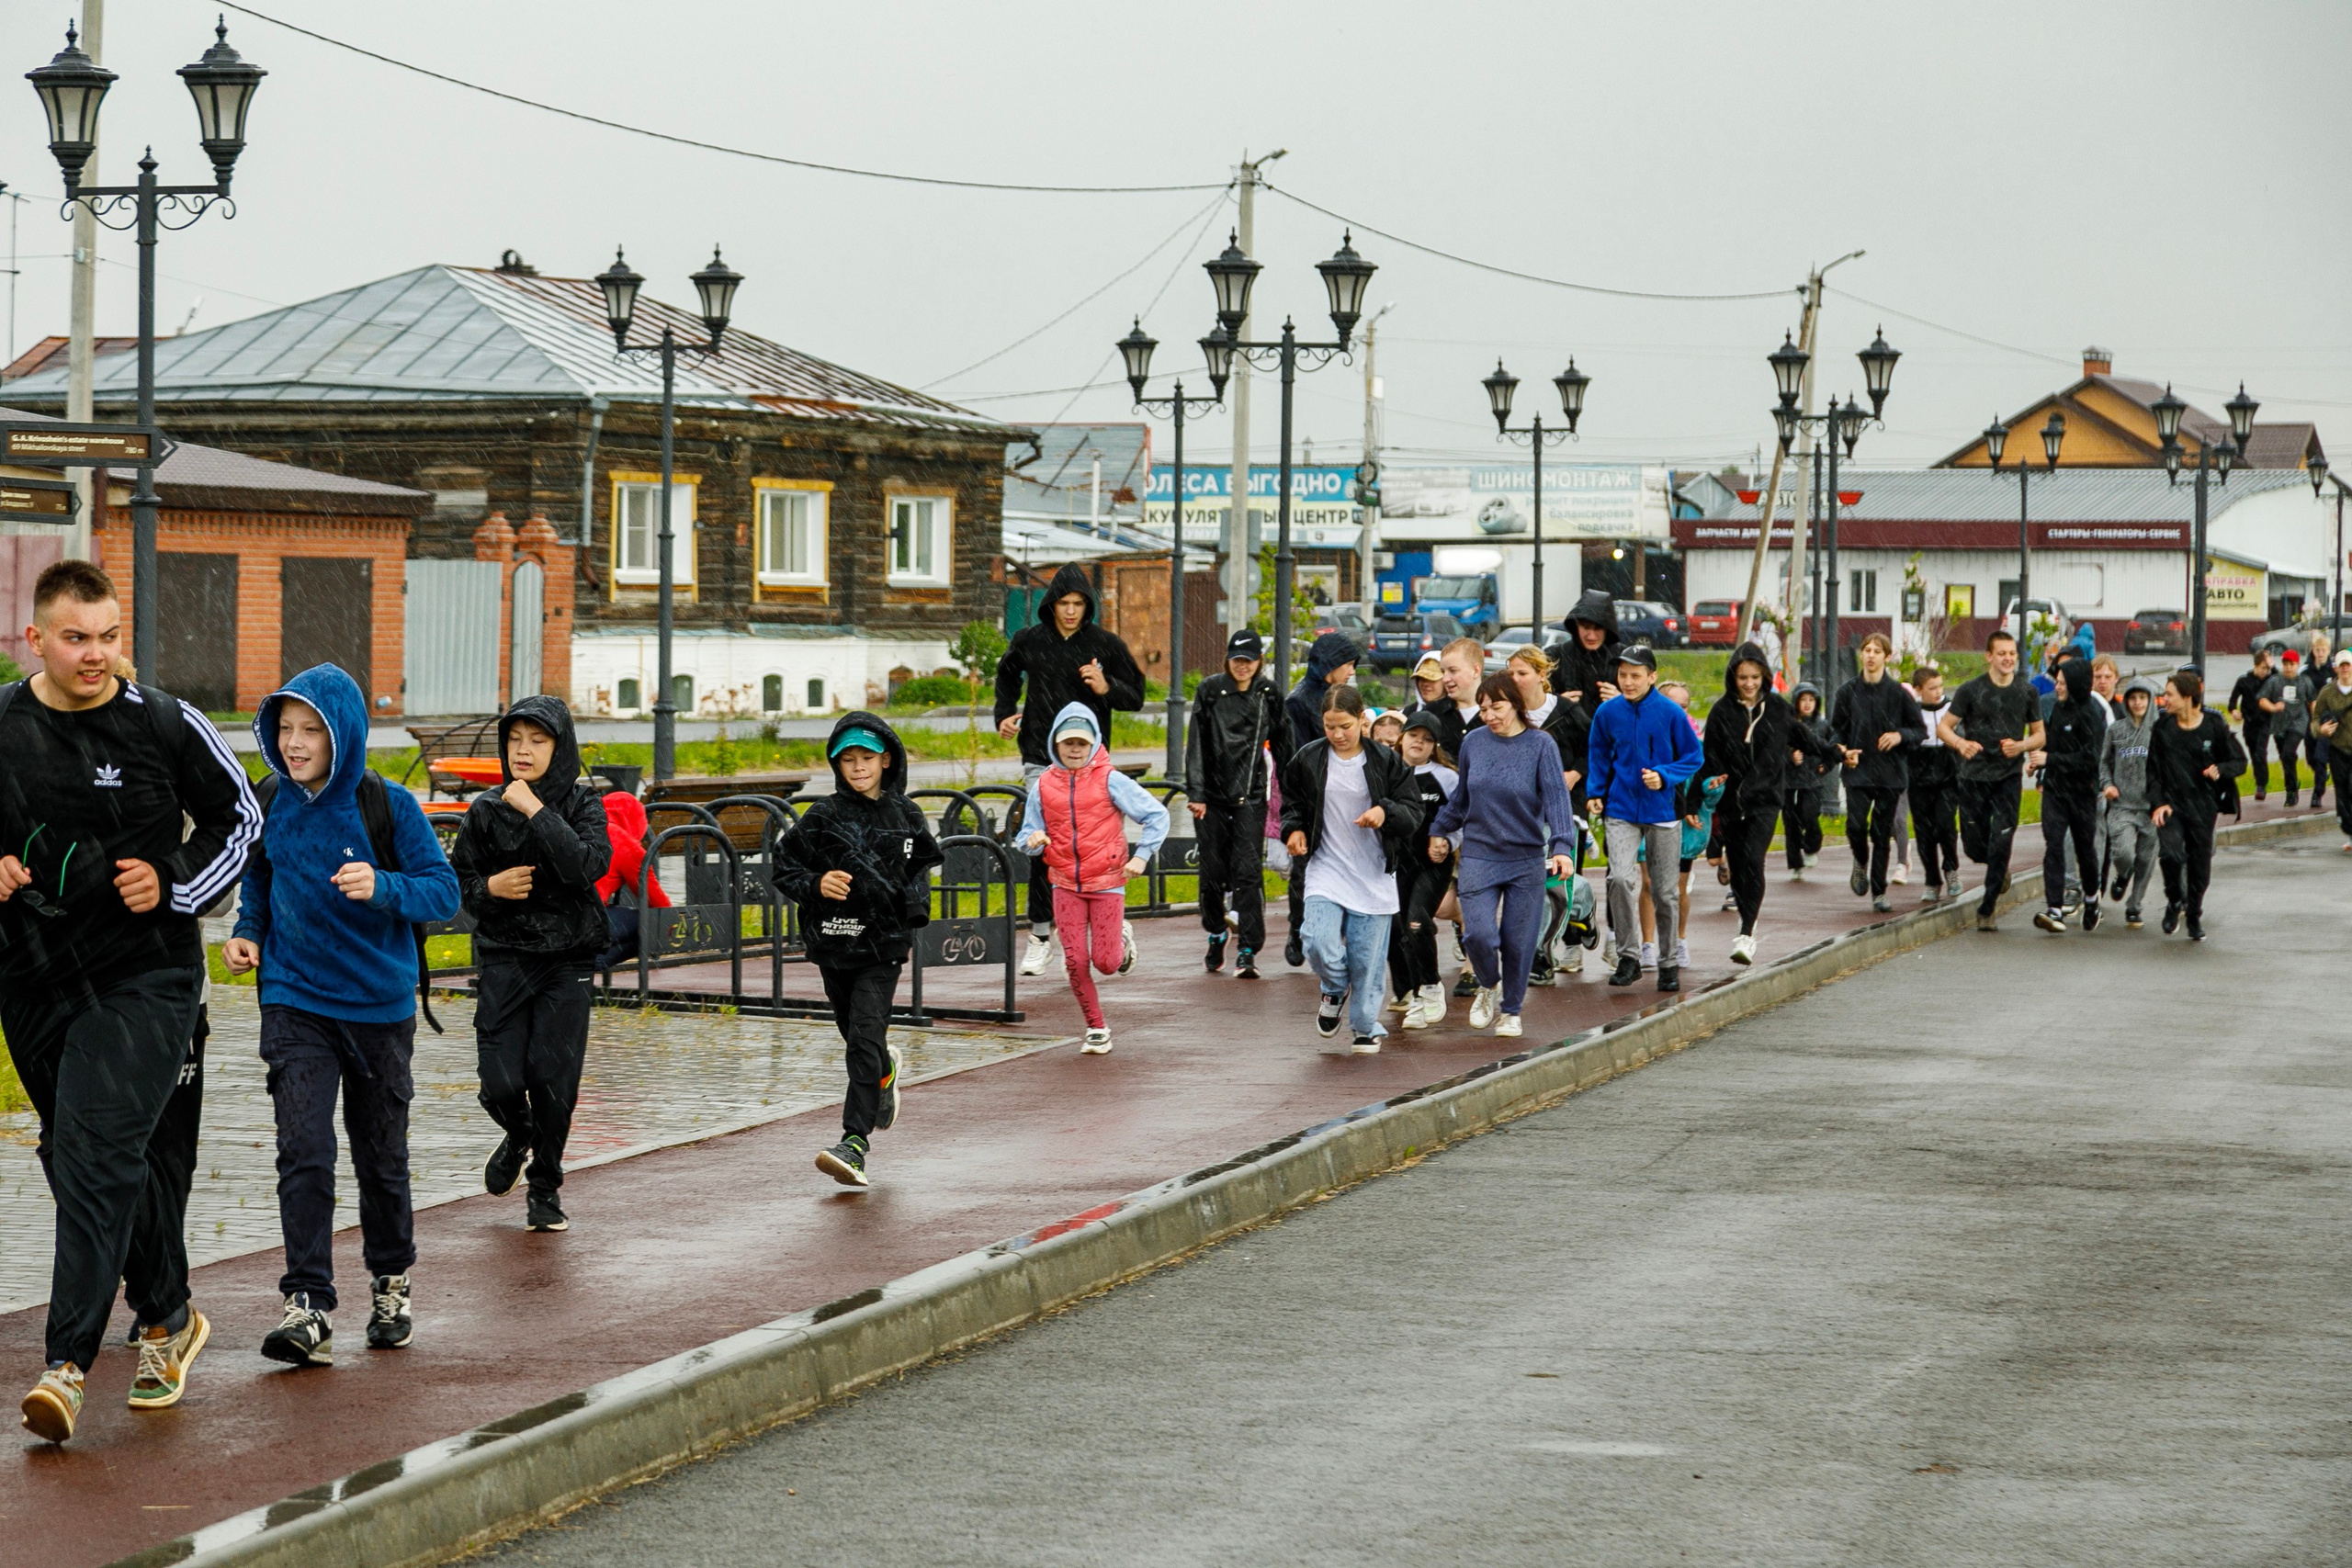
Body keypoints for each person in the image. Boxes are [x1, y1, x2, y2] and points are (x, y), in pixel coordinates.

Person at [0, 561, 258, 1444]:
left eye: (110, 636)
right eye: (77, 637)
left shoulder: (160, 721)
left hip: (145, 977)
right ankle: (168, 1315)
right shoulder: (3, 723)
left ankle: (66, 1364)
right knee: (95, 1157)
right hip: (33, 975)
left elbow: (243, 819)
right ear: (33, 639)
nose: (97, 654)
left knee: (95, 1144)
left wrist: (179, 880)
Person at [218, 664, 459, 1366]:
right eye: (285, 729)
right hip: (295, 999)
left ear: (342, 734)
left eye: (310, 730)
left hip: (379, 1010)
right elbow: (259, 875)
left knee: (381, 1158)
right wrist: (249, 932)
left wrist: (381, 885)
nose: (294, 744)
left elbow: (443, 892)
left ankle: (390, 1281)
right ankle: (308, 1304)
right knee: (304, 1149)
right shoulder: (273, 800)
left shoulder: (388, 805)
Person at [449, 695, 612, 1235]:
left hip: (568, 959)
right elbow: (460, 886)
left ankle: (545, 1187)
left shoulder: (584, 805)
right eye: (515, 740)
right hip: (505, 956)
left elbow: (585, 867)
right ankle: (519, 1134)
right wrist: (491, 889)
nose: (523, 750)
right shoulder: (484, 810)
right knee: (498, 1081)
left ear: (559, 748)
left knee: (553, 1079)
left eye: (537, 741)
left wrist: (536, 810)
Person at [772, 713, 943, 1188]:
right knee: (856, 1037)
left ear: (886, 759)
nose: (858, 767)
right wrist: (815, 882)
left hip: (884, 945)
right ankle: (884, 1071)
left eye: (866, 758)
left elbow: (922, 865)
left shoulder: (906, 814)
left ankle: (854, 1142)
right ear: (836, 764)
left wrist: (913, 909)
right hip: (833, 942)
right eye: (847, 759)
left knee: (865, 1037)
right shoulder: (824, 815)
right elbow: (784, 864)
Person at [994, 564, 1147, 980]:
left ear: (1088, 606)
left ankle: (1115, 926)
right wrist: (1005, 715)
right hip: (1040, 762)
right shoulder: (1029, 640)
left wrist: (1105, 687)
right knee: (1043, 846)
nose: (1071, 612)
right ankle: (1042, 936)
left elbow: (1135, 695)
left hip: (1092, 767)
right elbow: (1006, 676)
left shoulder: (1105, 644)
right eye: (1064, 603)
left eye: (1079, 604)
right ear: (1052, 604)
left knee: (1093, 852)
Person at [1428, 674, 1577, 1032]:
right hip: (1479, 854)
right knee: (1478, 935)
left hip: (1525, 857)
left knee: (1517, 940)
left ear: (1516, 705)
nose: (1489, 715)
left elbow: (1557, 799)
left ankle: (1511, 1011)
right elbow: (1462, 798)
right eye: (1483, 709)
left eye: (1497, 707)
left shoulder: (1541, 745)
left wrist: (1562, 847)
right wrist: (1439, 830)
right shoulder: (1474, 744)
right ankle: (1488, 983)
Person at [1019, 703, 1169, 1054]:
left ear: (1094, 744)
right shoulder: (1042, 784)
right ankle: (1096, 1027)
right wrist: (1033, 840)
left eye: (1082, 744)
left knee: (1106, 962)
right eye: (1068, 742)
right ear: (1055, 744)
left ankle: (1121, 939)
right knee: (1074, 960)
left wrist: (1142, 856)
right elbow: (1026, 832)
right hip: (1064, 883)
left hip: (1107, 881)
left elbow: (1157, 815)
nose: (1074, 750)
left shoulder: (1110, 779)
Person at [1282, 684, 1423, 1052]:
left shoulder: (1386, 762)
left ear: (1362, 720)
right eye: (1330, 726)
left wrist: (1384, 812)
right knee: (1315, 940)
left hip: (1374, 873)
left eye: (1345, 725)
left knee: (1367, 962)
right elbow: (1293, 802)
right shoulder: (1308, 759)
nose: (1338, 735)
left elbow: (1412, 813)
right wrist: (1293, 829)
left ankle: (1365, 1026)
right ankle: (1333, 988)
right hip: (1326, 867)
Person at [1703, 642, 1841, 964]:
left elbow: (1806, 739)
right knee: (1738, 868)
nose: (1749, 684)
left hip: (1766, 799)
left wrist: (1836, 753)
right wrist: (1704, 791)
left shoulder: (1778, 708)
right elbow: (1708, 757)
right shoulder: (1722, 711)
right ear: (1733, 678)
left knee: (1754, 860)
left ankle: (1747, 933)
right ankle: (1744, 914)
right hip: (1731, 802)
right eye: (1742, 678)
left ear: (1764, 676)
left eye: (1755, 677)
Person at [1585, 645, 1702, 993]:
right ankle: (1629, 957)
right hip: (1620, 809)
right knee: (1619, 879)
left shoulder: (1670, 713)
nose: (1628, 682)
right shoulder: (1607, 713)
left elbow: (1694, 756)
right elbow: (1599, 753)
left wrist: (1665, 775)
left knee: (1665, 892)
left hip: (1663, 811)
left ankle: (1667, 963)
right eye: (1623, 675)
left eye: (1636, 676)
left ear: (1652, 677)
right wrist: (1595, 792)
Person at [1183, 628, 1294, 980]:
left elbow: (1283, 743)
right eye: (1236, 660)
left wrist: (1291, 791)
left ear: (1259, 662)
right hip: (1212, 799)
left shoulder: (1268, 694)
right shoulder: (1210, 691)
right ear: (1228, 660)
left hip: (1251, 796)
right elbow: (1196, 744)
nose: (1242, 667)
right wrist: (1196, 792)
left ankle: (1248, 949)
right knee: (1213, 874)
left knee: (1247, 873)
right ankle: (1216, 931)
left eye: (1248, 660)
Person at [1940, 629, 2046, 933]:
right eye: (2002, 653)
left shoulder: (2027, 693)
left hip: (2008, 777)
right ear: (1989, 656)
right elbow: (1945, 728)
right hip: (1973, 776)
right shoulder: (1971, 690)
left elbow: (2040, 734)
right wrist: (1961, 745)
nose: (2008, 659)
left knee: (2001, 839)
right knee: (1974, 847)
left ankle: (1987, 908)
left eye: (2012, 653)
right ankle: (1998, 870)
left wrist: (2022, 746)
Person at [1278, 629, 1362, 968]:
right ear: (1330, 665)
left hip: (1344, 795)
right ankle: (1299, 931)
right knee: (1306, 870)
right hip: (1314, 799)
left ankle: (1337, 931)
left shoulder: (1338, 697)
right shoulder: (1299, 702)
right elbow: (1295, 757)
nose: (1352, 671)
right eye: (1348, 664)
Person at [1508, 644, 1589, 981]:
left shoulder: (1568, 712)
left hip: (1561, 809)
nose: (1514, 680)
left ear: (1542, 676)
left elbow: (1593, 749)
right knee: (1533, 884)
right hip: (1522, 813)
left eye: (1522, 674)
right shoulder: (1508, 713)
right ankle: (1541, 952)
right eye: (1510, 673)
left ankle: (1542, 953)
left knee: (1550, 882)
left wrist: (1575, 773)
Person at [1829, 633, 1926, 913]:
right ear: (1861, 655)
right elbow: (1836, 729)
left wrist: (1898, 736)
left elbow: (1919, 731)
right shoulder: (1847, 692)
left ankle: (1879, 892)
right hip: (1857, 771)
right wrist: (1841, 749)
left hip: (1890, 774)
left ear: (1887, 656)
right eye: (1867, 650)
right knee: (1856, 826)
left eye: (1876, 651)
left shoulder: (1898, 693)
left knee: (1881, 833)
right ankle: (1860, 860)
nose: (1871, 655)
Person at [2148, 670, 2245, 940]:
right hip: (2171, 806)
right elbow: (2152, 772)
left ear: (2188, 698)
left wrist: (2220, 769)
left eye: (2169, 694)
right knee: (2170, 855)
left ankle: (2194, 915)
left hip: (2203, 807)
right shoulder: (2162, 728)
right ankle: (2174, 900)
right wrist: (2158, 804)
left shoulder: (2213, 725)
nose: (2164, 699)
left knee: (2199, 866)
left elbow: (2239, 762)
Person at [1391, 713, 1458, 1029]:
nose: (1419, 742)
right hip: (1394, 865)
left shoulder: (1445, 777)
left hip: (1432, 865)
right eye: (1413, 735)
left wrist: (1447, 839)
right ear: (1401, 737)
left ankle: (1431, 985)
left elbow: (1464, 816)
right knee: (1398, 930)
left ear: (1435, 746)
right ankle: (1414, 994)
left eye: (1427, 738)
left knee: (1417, 922)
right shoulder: (1385, 770)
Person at [2032, 658, 2107, 934]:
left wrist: (2050, 758)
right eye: (2057, 682)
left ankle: (2091, 898)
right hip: (2055, 790)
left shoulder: (2091, 713)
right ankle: (2054, 908)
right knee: (2053, 844)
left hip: (2083, 792)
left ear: (2075, 684)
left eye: (2062, 683)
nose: (2057, 688)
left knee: (2084, 849)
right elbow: (2052, 743)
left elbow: (2091, 758)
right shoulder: (2059, 710)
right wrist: (2038, 763)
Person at [2098, 678, 2164, 928]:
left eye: (2143, 698)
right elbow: (2104, 763)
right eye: (2133, 698)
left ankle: (2134, 906)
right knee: (2124, 853)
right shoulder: (2115, 731)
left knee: (2147, 860)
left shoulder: (2158, 730)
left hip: (2151, 808)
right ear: (2126, 701)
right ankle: (2123, 874)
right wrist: (2107, 785)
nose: (2138, 703)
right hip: (2122, 805)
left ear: (2150, 700)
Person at [593, 789, 670, 979]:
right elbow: (657, 903)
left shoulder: (579, 824)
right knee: (649, 924)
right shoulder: (622, 841)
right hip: (582, 920)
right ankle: (584, 964)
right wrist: (672, 929)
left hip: (541, 919)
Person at [1905, 664, 1962, 903]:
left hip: (1947, 774)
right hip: (1919, 775)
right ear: (1919, 690)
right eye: (1932, 688)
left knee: (1945, 824)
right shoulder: (1912, 713)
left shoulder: (1951, 709)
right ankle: (1931, 879)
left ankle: (1951, 868)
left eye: (1940, 686)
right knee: (1924, 831)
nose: (1938, 691)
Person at [1783, 682, 1834, 881]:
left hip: (1812, 779)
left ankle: (1812, 846)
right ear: (1795, 702)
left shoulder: (1822, 725)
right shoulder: (1786, 724)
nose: (1806, 704)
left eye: (1811, 700)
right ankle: (1795, 863)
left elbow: (1832, 748)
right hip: (1788, 781)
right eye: (1803, 699)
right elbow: (1774, 750)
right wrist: (1789, 757)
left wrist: (1826, 765)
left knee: (1809, 814)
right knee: (1790, 821)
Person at [1547, 588, 1623, 712]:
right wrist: (1555, 703)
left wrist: (1622, 701)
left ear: (1607, 629)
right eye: (1586, 627)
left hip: (1609, 729)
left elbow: (1644, 703)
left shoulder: (1623, 657)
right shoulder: (1554, 656)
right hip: (1565, 729)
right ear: (1576, 626)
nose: (1591, 636)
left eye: (1598, 628)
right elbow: (1532, 701)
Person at [2311, 649, 2352, 847]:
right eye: (2341, 665)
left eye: (2348, 665)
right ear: (2335, 668)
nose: (2345, 669)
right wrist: (2321, 729)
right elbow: (2315, 719)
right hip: (2337, 749)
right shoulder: (2327, 692)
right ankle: (2349, 830)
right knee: (2342, 791)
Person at [2259, 649, 2309, 806]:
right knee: (2285, 756)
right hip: (2280, 724)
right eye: (2286, 664)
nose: (2288, 667)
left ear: (2297, 665)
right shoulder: (2275, 681)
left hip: (2298, 723)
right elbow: (2262, 700)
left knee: (2288, 752)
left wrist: (2316, 720)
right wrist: (2273, 707)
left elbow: (2313, 701)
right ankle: (2292, 783)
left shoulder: (2304, 681)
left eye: (2292, 664)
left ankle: (2290, 791)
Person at [2227, 649, 2275, 801]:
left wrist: (2272, 666)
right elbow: (2232, 702)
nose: (2265, 672)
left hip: (2265, 721)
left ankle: (2262, 785)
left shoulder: (2271, 678)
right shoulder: (2244, 681)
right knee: (2254, 753)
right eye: (2263, 668)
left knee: (2261, 751)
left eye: (2268, 668)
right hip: (2249, 722)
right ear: (2255, 665)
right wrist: (2234, 711)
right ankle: (2258, 780)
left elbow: (2280, 678)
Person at [2304, 633, 2335, 809]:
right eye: (2317, 650)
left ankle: (2317, 793)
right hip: (2311, 720)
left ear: (2328, 651)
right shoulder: (2306, 671)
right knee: (2310, 756)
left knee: (2321, 755)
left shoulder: (2333, 671)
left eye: (2323, 650)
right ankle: (2322, 775)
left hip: (2328, 720)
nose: (2320, 653)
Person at [1403, 652, 1447, 721]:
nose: (1425, 684)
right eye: (1422, 679)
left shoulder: (1457, 715)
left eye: (1432, 679)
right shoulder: (1406, 714)